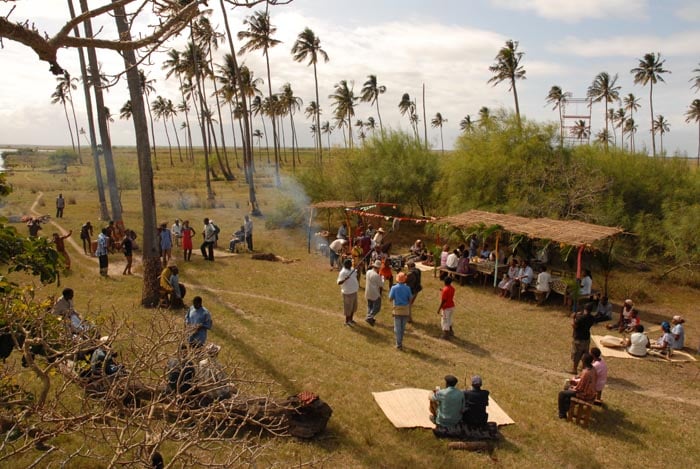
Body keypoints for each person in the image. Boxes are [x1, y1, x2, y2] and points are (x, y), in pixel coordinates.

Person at [558, 353, 597, 418]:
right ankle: (566, 409)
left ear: (584, 361)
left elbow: (579, 388)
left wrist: (572, 387)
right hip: (592, 392)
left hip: (585, 394)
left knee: (562, 394)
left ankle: (562, 414)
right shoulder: (593, 369)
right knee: (567, 394)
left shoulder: (586, 373)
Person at [389, 272, 412, 350]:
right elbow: (410, 299)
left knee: (397, 328)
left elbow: (390, 299)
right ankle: (400, 342)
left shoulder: (394, 288)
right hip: (405, 310)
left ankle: (398, 344)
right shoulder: (408, 288)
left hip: (397, 310)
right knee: (402, 327)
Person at [570, 304, 595, 374]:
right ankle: (584, 369)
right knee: (585, 354)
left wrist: (573, 318)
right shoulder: (592, 318)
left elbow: (574, 325)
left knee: (576, 354)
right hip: (586, 338)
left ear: (584, 309)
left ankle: (574, 369)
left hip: (579, 338)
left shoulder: (581, 318)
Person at [337, 258, 359, 327]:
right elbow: (339, 283)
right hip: (347, 293)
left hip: (354, 291)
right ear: (346, 265)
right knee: (348, 308)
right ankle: (346, 321)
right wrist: (345, 279)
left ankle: (351, 320)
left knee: (353, 307)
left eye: (351, 264)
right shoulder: (342, 272)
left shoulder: (352, 269)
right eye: (349, 264)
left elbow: (355, 274)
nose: (350, 265)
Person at [364, 260, 384, 326]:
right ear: (378, 268)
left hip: (368, 291)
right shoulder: (377, 275)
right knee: (377, 307)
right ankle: (369, 317)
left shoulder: (368, 272)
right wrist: (383, 278)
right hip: (375, 293)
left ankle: (370, 317)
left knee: (370, 306)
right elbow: (381, 285)